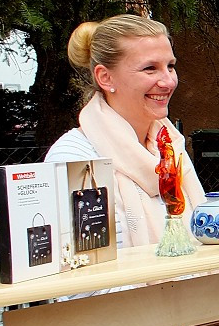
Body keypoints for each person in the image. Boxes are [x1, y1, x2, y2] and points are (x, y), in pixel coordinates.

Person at [46, 14, 205, 248]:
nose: (168, 81)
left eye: (170, 66)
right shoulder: (75, 159)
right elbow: (82, 274)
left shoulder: (170, 145)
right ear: (105, 77)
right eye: (150, 68)